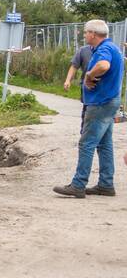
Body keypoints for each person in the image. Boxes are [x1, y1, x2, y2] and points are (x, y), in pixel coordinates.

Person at [54, 19, 123, 198]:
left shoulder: (104, 49)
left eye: (85, 32)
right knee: (104, 144)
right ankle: (106, 184)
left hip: (100, 103)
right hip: (110, 101)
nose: (84, 35)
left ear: (93, 33)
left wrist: (89, 76)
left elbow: (103, 66)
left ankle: (78, 184)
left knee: (87, 143)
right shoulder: (113, 48)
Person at [64, 40, 93, 131]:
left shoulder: (106, 50)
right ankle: (84, 133)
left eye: (86, 32)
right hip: (86, 87)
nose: (84, 35)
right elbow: (74, 66)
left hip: (103, 87)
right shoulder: (83, 50)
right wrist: (68, 80)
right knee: (87, 110)